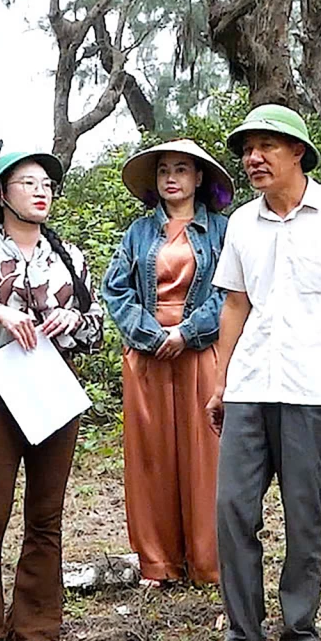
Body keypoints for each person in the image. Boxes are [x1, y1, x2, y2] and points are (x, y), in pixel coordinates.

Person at [201, 105, 321, 641]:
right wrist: (221, 379)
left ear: (297, 151)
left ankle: (302, 632)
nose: (253, 158)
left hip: (312, 386)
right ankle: (241, 631)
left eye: (266, 147)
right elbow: (235, 303)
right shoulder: (242, 225)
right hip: (251, 384)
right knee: (232, 508)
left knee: (304, 513)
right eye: (247, 149)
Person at [0, 151, 105, 641]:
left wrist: (70, 323)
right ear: (1, 195)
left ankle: (37, 630)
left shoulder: (69, 258)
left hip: (54, 388)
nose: (41, 191)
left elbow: (97, 327)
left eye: (47, 183)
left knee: (46, 516)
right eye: (27, 182)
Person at [101, 139, 233, 588]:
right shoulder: (138, 233)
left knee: (206, 454)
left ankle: (208, 563)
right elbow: (115, 290)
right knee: (151, 456)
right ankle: (158, 563)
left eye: (181, 169)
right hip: (147, 355)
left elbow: (232, 292)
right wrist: (151, 335)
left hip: (202, 352)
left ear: (199, 178)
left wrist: (188, 332)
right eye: (163, 172)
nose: (171, 178)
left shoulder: (221, 230)